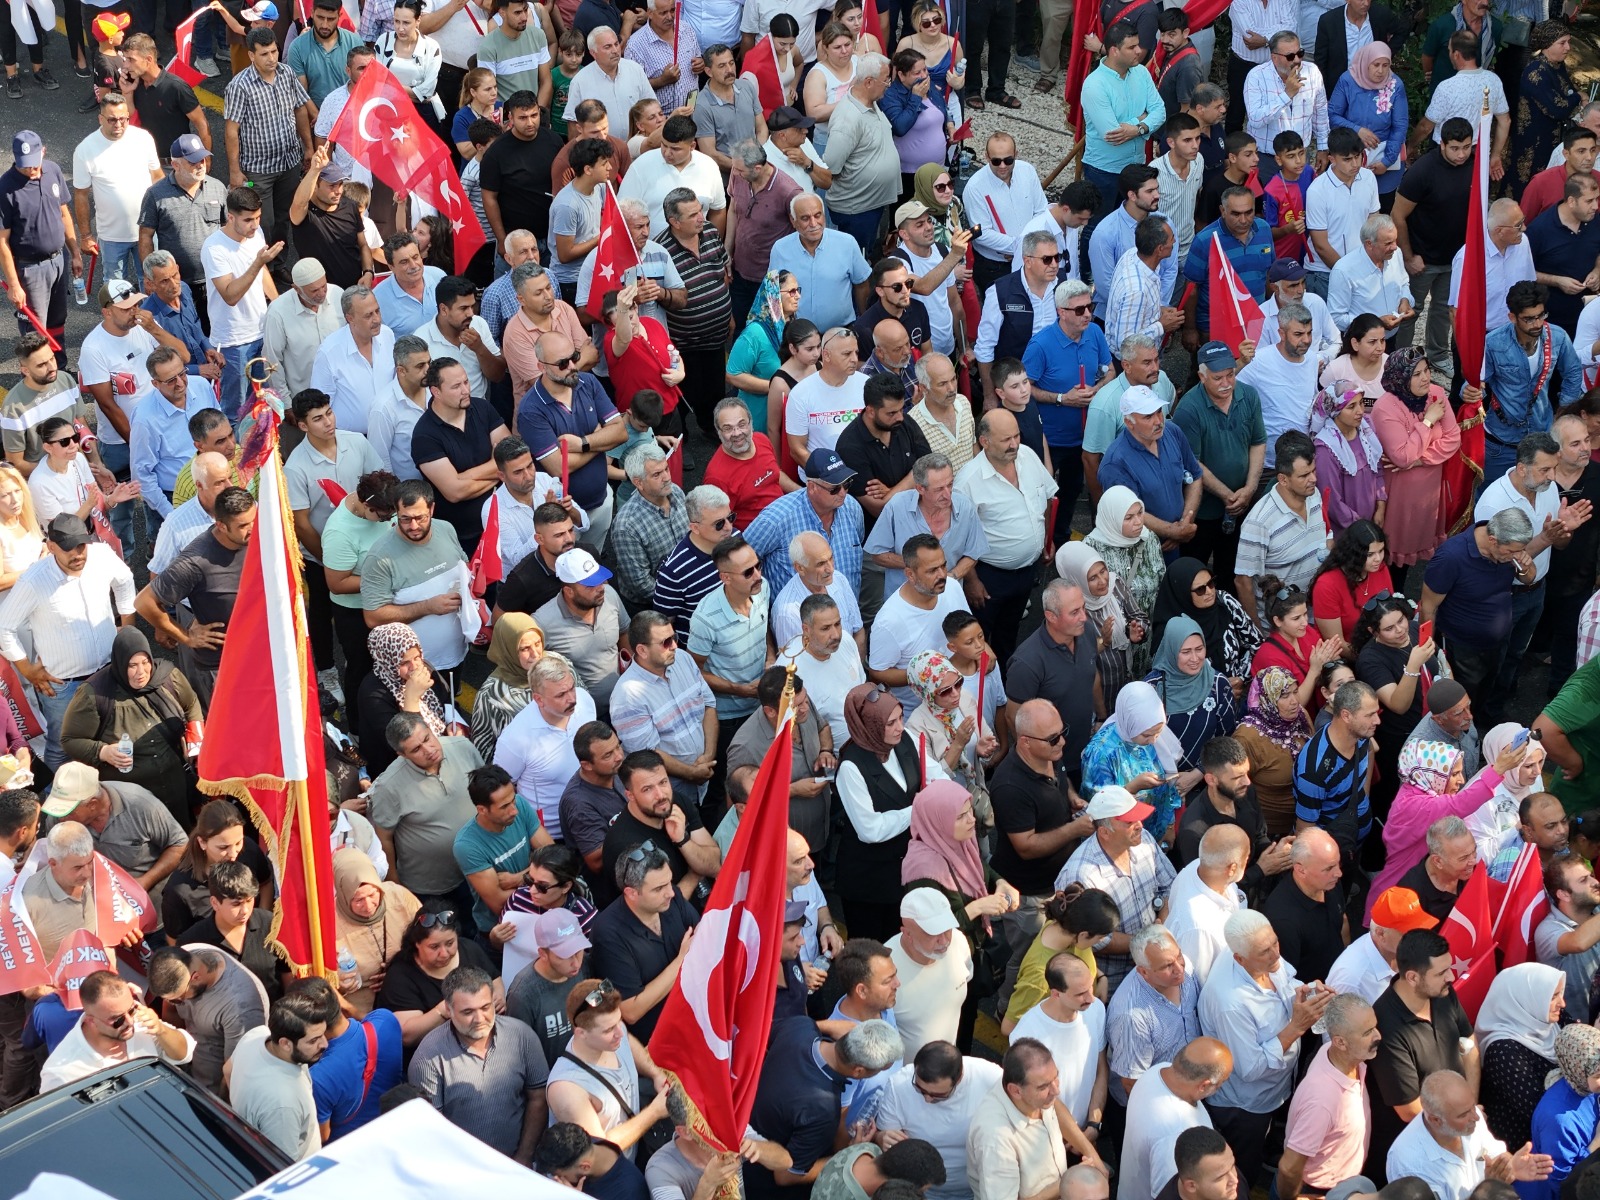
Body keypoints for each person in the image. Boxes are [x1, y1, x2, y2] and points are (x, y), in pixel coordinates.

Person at [58, 626, 204, 829]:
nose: (141, 672)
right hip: (129, 798)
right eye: (132, 665)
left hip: (174, 785)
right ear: (119, 664)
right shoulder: (95, 694)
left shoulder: (167, 677)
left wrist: (196, 738)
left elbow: (191, 704)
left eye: (145, 663)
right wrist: (102, 751)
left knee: (181, 835)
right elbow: (69, 740)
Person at [408, 966, 549, 1163]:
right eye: (468, 1012)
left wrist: (524, 1156)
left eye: (485, 1008)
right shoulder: (428, 1058)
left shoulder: (521, 1036)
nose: (480, 1019)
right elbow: (432, 1129)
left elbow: (538, 1097)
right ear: (448, 1010)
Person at [1369, 928, 1478, 1170]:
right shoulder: (1387, 1027)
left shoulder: (1443, 993)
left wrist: (1467, 1108)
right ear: (1412, 977)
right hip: (1422, 1151)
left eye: (1448, 968)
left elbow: (1469, 1047)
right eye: (1440, 973)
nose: (1451, 977)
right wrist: (1461, 1121)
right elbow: (1409, 1110)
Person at [1058, 786, 1178, 993]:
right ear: (1104, 832)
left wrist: (1160, 927)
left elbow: (1170, 886)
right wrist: (1147, 944)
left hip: (1156, 962)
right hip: (1113, 980)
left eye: (1138, 818)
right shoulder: (1081, 874)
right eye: (1130, 822)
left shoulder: (1144, 839)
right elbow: (1093, 939)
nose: (1140, 825)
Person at [586, 841, 699, 1040]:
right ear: (631, 893)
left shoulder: (672, 899)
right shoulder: (608, 933)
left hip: (693, 1016)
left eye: (669, 882)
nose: (671, 892)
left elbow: (703, 938)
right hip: (655, 1040)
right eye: (659, 888)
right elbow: (631, 1010)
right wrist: (683, 960)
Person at [1386, 1069, 1553, 1200]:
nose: (1476, 1116)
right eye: (1463, 1114)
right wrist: (1488, 1189)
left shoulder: (1470, 1118)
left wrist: (1510, 1167)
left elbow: (1495, 1156)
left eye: (1473, 1106)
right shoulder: (1408, 1162)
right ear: (1436, 1120)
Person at [1120, 1038, 1235, 1200]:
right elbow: (1172, 1193)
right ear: (1203, 1085)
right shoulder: (1174, 1137)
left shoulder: (1159, 1071)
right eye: (1221, 1083)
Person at [147, 944, 269, 1096]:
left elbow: (235, 1071)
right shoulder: (180, 961)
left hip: (211, 1091)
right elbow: (170, 1010)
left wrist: (219, 1104)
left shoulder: (240, 1008)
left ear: (196, 977)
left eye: (179, 998)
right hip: (184, 1076)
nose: (177, 1002)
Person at [374, 903, 501, 1047]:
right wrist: (443, 1010)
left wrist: (498, 996)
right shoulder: (401, 976)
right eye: (434, 947)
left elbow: (495, 979)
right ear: (417, 944)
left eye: (450, 943)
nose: (444, 953)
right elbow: (407, 1035)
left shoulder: (469, 949)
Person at [1476, 963, 1565, 1151]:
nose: (1562, 1003)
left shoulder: (1551, 1019)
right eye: (1553, 997)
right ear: (1526, 1000)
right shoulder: (1503, 1051)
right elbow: (1541, 1110)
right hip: (1526, 1149)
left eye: (1560, 994)